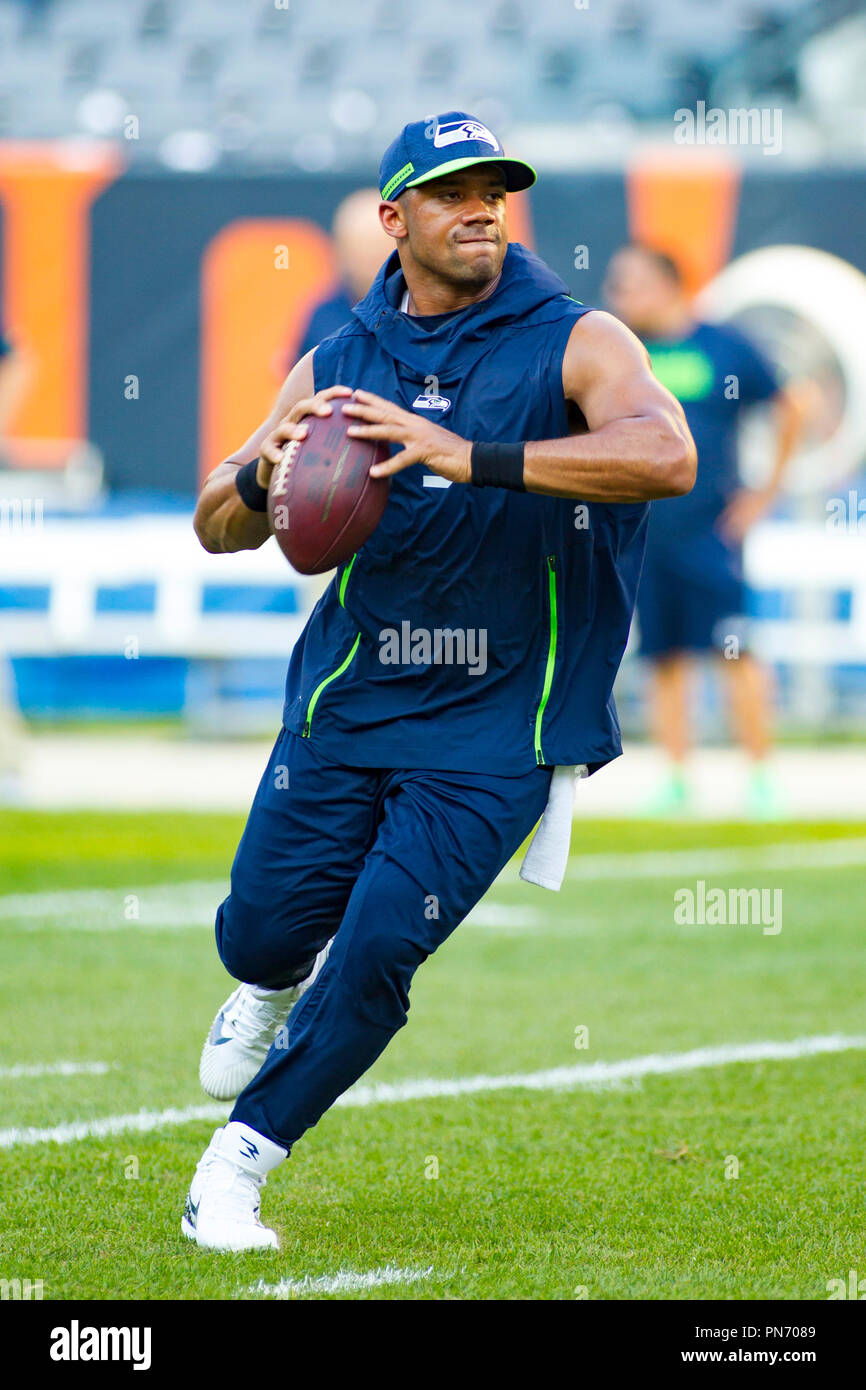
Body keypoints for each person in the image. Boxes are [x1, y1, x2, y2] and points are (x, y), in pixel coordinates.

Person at [184, 111, 696, 1252]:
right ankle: (264, 986)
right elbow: (219, 525)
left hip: (497, 723)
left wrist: (473, 455)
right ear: (391, 218)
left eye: (494, 191)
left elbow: (667, 456)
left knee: (375, 950)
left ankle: (234, 1166)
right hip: (347, 703)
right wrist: (258, 469)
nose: (480, 208)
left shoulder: (576, 338)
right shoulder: (337, 357)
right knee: (264, 931)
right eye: (451, 191)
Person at [603, 244, 803, 817]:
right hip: (643, 534)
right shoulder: (622, 354)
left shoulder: (724, 346)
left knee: (736, 649)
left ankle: (761, 776)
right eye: (616, 285)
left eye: (632, 283)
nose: (620, 297)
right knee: (664, 656)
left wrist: (765, 494)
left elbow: (792, 404)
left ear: (670, 285)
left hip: (712, 533)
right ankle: (676, 776)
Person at [291, 188, 394, 364]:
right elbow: (300, 382)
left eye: (378, 248)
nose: (370, 260)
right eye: (361, 249)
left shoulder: (424, 312)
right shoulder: (323, 317)